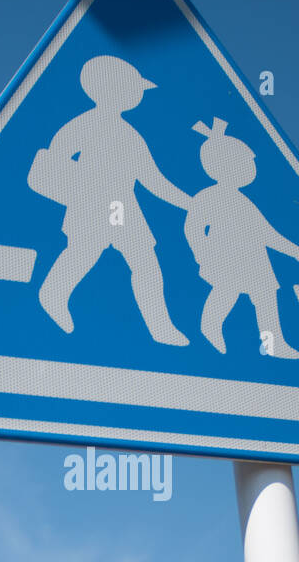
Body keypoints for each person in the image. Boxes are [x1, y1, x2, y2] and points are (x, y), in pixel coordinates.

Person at [29, 55, 190, 345]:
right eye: (134, 89)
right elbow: (56, 154)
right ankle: (53, 294)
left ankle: (161, 327)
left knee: (146, 263)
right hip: (90, 203)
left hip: (125, 209)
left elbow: (153, 180)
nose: (138, 95)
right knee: (83, 253)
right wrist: (76, 187)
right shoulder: (85, 123)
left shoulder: (131, 136)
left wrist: (192, 204)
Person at [184, 117, 299, 357]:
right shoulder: (207, 197)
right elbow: (193, 228)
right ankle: (209, 327)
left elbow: (265, 233)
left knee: (266, 296)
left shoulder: (245, 203)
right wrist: (202, 253)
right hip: (224, 255)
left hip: (254, 260)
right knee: (226, 291)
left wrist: (293, 250)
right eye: (245, 163)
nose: (251, 168)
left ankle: (274, 344)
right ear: (223, 166)